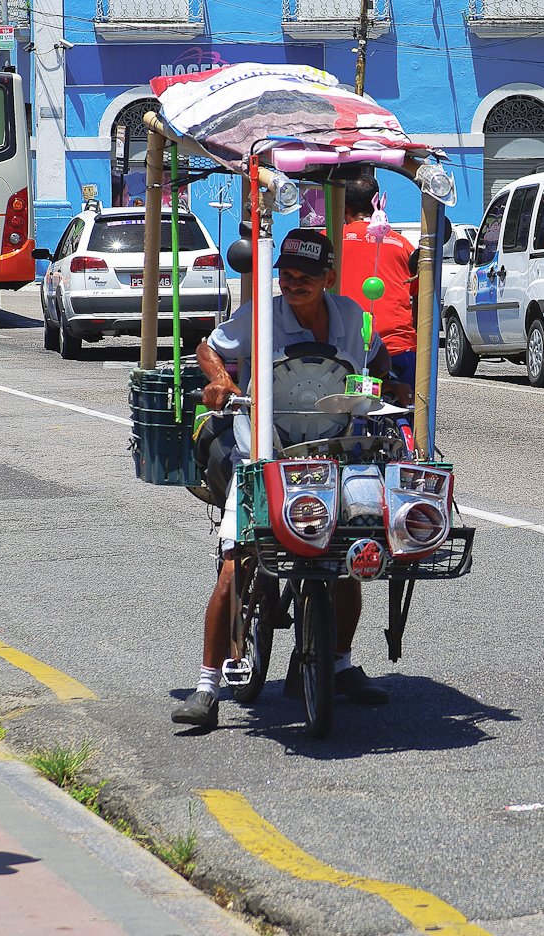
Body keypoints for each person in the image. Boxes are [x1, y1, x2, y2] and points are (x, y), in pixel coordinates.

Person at [171, 228, 412, 730]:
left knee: (350, 553)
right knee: (236, 563)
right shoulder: (262, 312)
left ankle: (340, 663)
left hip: (334, 445)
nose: (293, 283)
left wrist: (387, 379)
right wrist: (220, 379)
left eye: (306, 276)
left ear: (328, 277)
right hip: (263, 447)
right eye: (286, 274)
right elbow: (208, 347)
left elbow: (377, 354)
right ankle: (207, 685)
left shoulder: (349, 315)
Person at [339, 175, 420, 388]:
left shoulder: (330, 240)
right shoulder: (402, 245)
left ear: (345, 208)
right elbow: (419, 297)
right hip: (400, 349)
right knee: (405, 414)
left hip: (348, 350)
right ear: (378, 204)